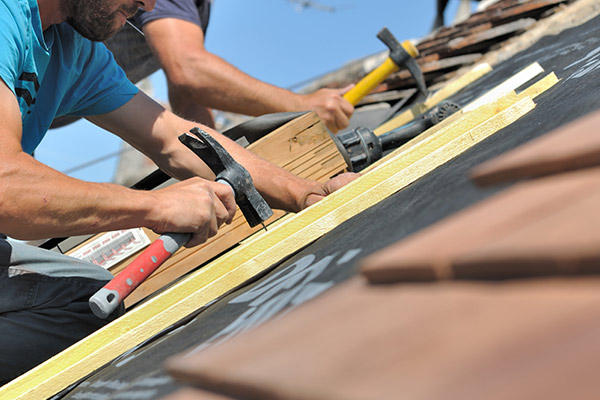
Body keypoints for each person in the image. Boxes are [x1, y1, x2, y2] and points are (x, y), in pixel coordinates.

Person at [0, 0, 357, 384]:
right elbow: (6, 185)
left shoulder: (75, 52)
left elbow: (174, 139)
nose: (149, 4)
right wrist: (155, 206)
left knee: (86, 305)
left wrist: (307, 193)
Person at [102, 0, 355, 133]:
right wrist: (303, 107)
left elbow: (188, 101)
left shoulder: (196, 9)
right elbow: (189, 70)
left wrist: (222, 164)